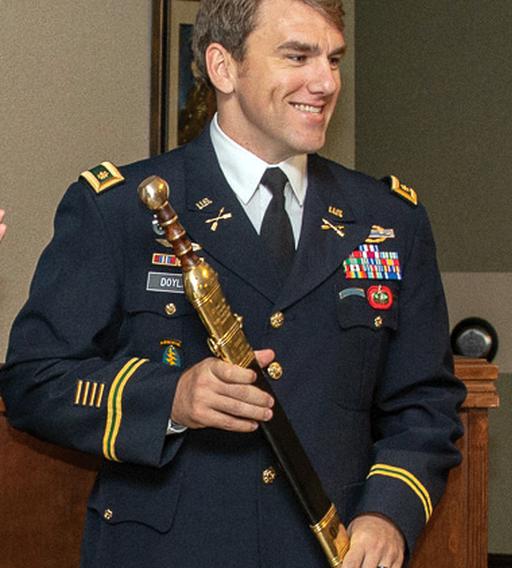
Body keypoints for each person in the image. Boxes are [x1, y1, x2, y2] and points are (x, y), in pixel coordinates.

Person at [0, 1, 465, 567]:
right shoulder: (119, 209)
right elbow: (34, 380)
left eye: (334, 59)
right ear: (223, 68)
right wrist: (169, 398)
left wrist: (388, 513)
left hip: (324, 551)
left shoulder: (388, 219)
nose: (325, 82)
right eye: (298, 56)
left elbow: (424, 403)